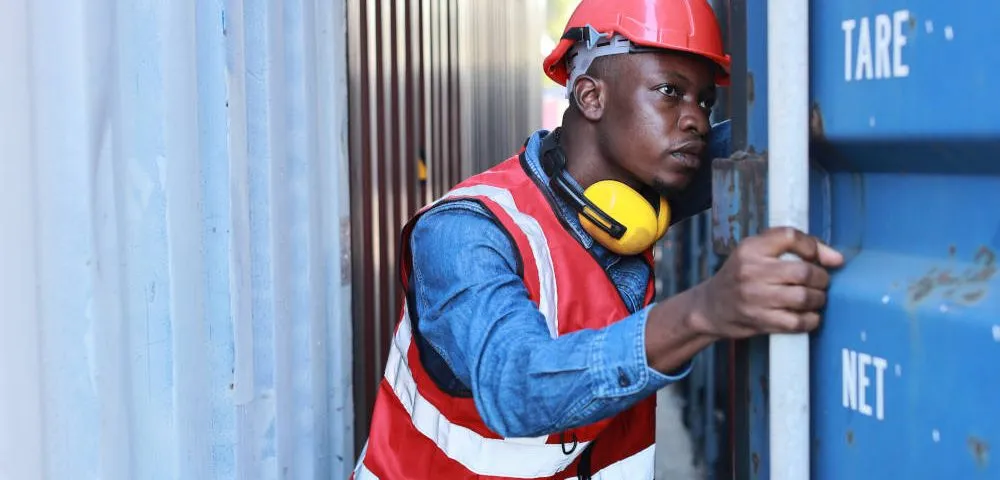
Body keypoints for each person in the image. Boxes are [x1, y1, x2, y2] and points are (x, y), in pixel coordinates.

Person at [352, 0, 844, 478]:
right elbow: (516, 385)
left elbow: (756, 140)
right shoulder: (466, 231)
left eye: (705, 100)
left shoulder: (635, 197)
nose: (696, 118)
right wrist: (705, 311)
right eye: (670, 91)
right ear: (590, 96)